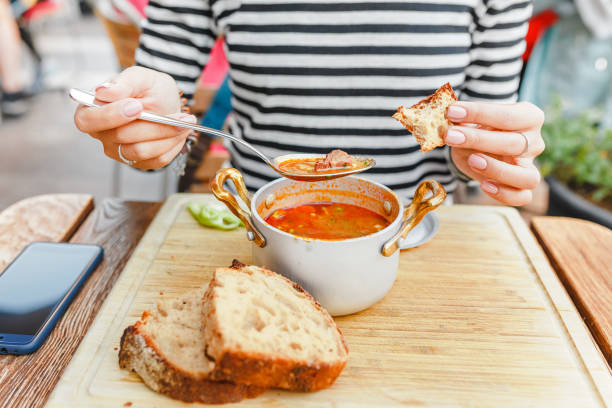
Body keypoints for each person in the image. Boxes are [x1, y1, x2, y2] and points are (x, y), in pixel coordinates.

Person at [75, 0, 545, 206]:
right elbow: (163, 92)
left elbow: (481, 133)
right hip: (257, 230)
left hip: (417, 235)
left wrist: (489, 155)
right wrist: (149, 133)